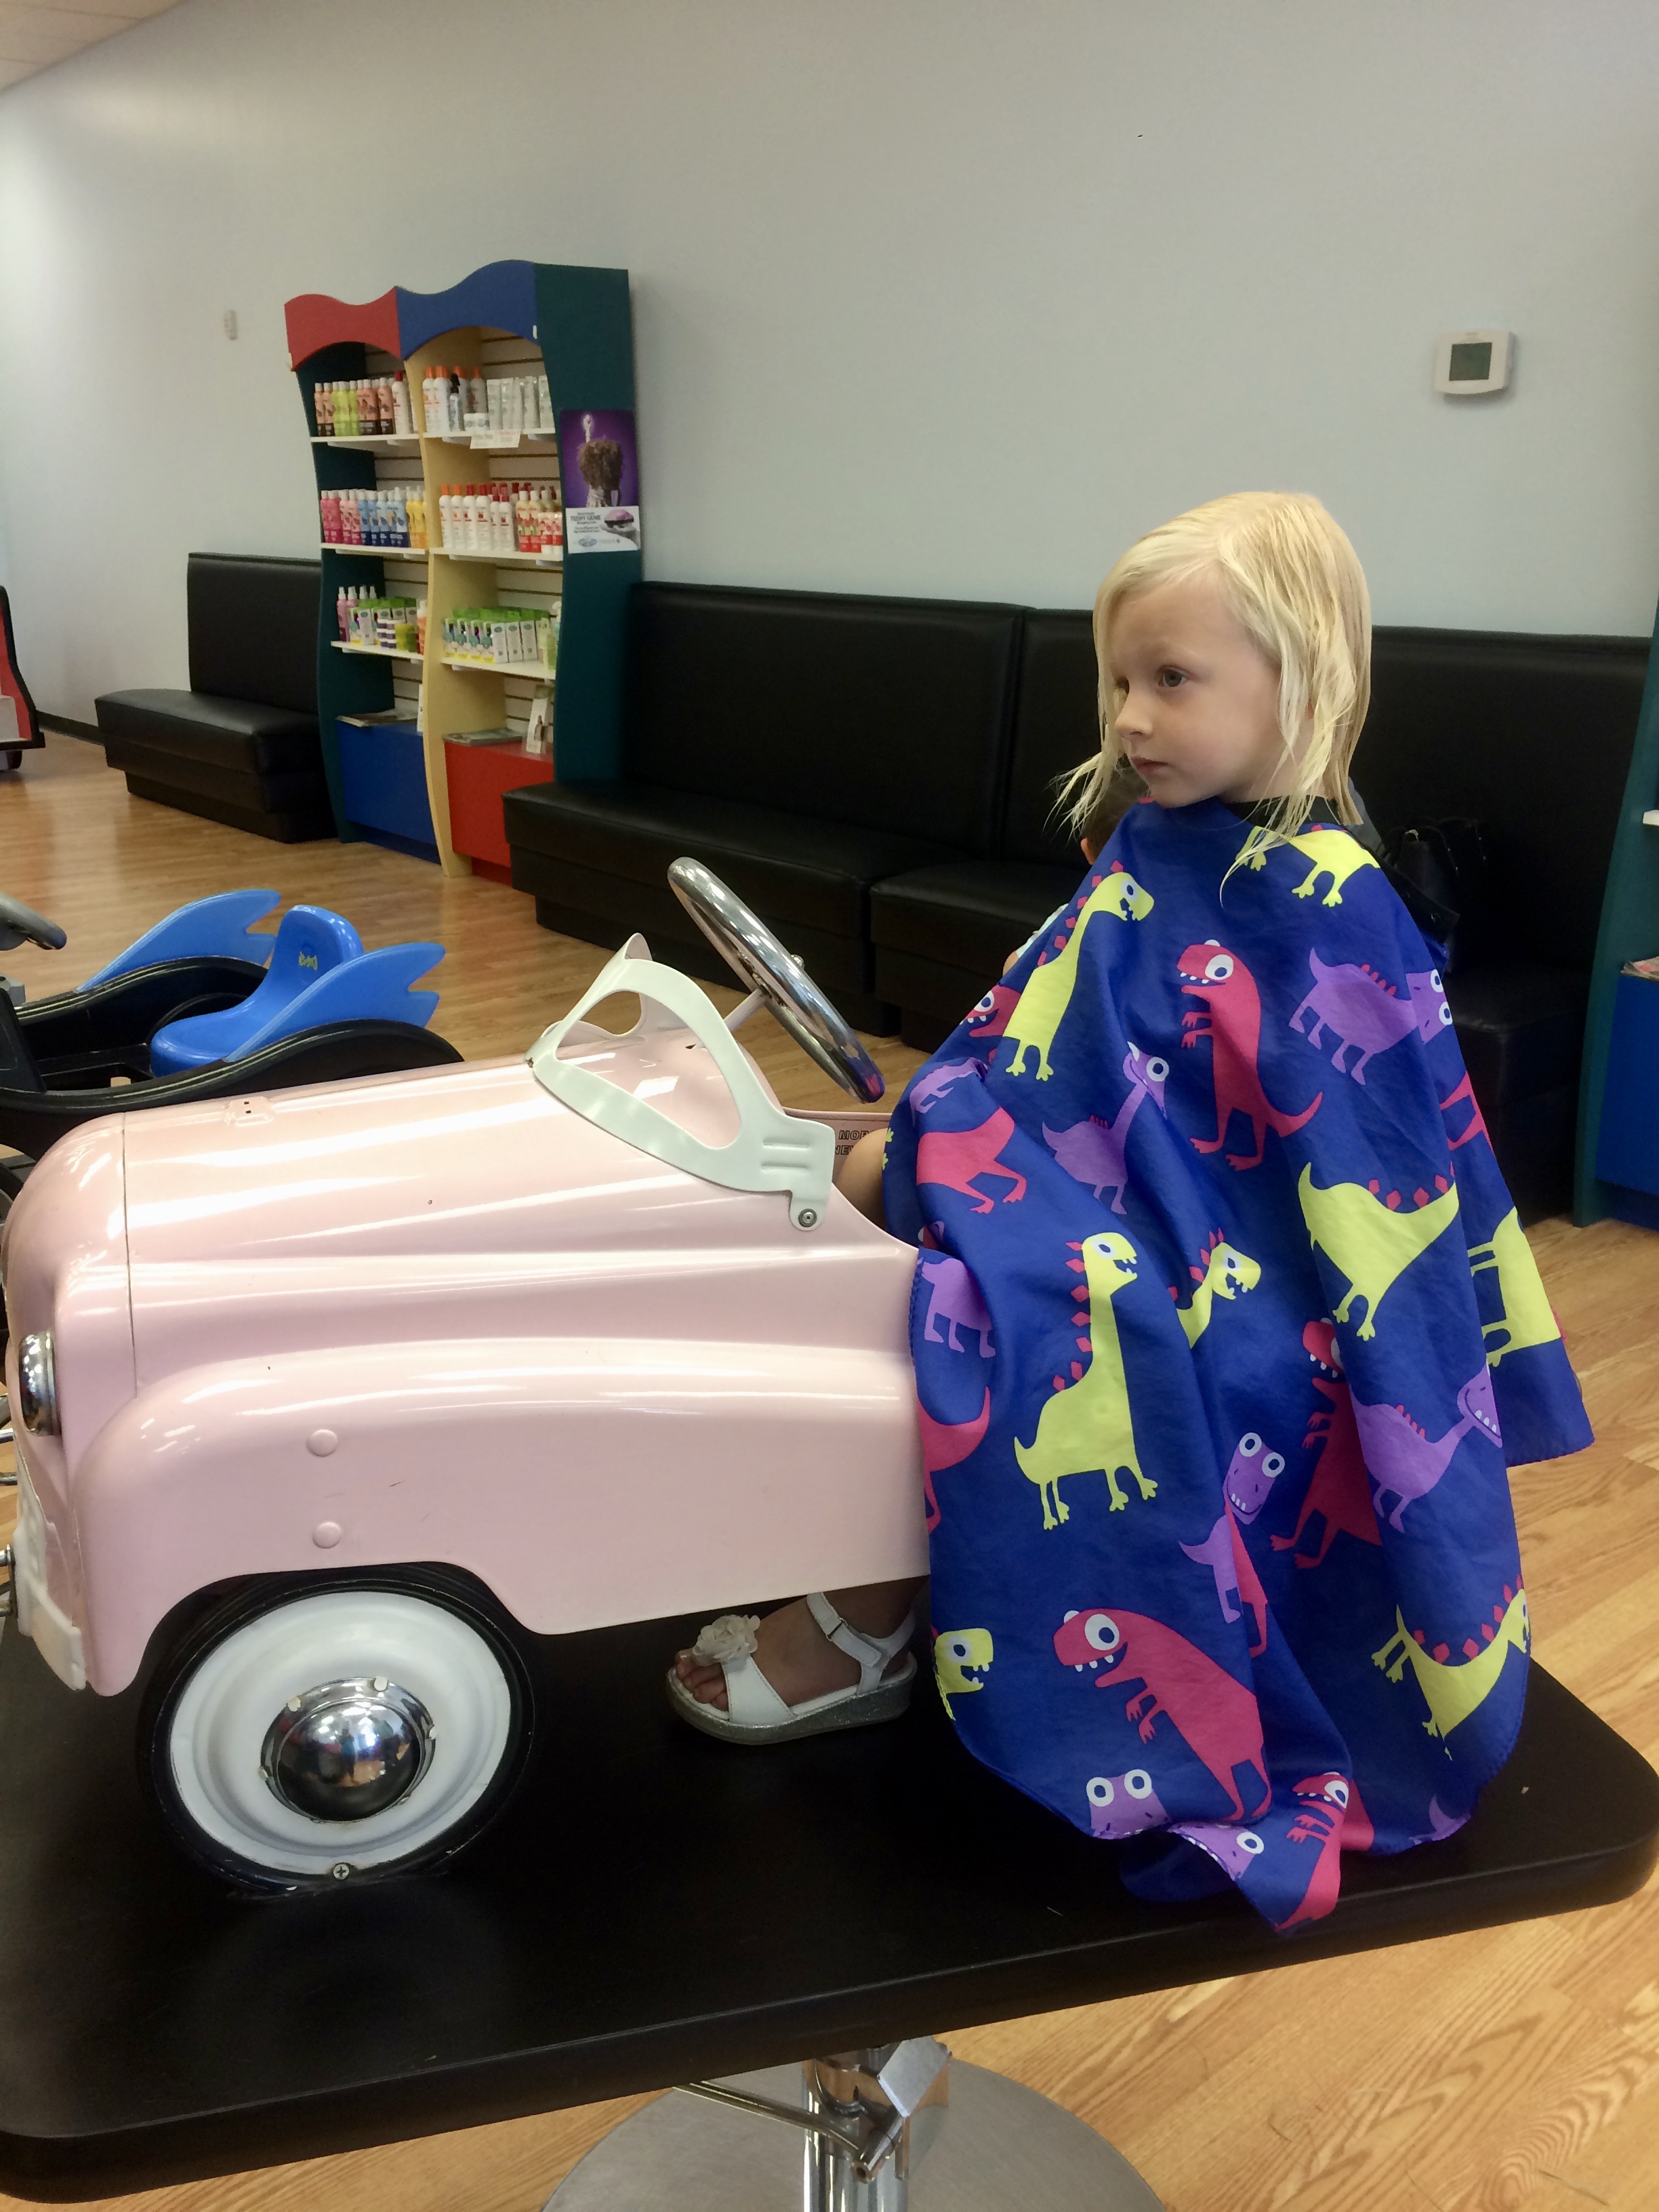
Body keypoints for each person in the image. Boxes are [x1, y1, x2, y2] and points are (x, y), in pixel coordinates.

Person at [670, 491, 1590, 1930]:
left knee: (963, 1301)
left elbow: (1350, 1168)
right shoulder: (1166, 843)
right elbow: (1075, 1045)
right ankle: (853, 1577)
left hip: (1251, 1277)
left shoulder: (1326, 897)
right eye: (1118, 681)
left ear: (1306, 679)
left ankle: (867, 1624)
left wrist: (973, 1165)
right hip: (1127, 1199)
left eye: (1174, 680)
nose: (1131, 719)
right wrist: (946, 1122)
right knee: (851, 1198)